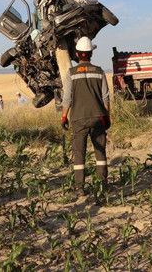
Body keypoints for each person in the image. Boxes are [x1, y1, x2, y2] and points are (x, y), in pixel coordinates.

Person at [61, 36, 110, 193]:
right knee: (100, 151)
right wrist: (107, 116)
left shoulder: (72, 73)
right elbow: (106, 97)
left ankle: (79, 186)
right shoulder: (99, 71)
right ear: (91, 54)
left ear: (77, 54)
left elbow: (67, 98)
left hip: (78, 118)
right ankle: (103, 184)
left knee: (79, 152)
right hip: (98, 117)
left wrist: (63, 117)